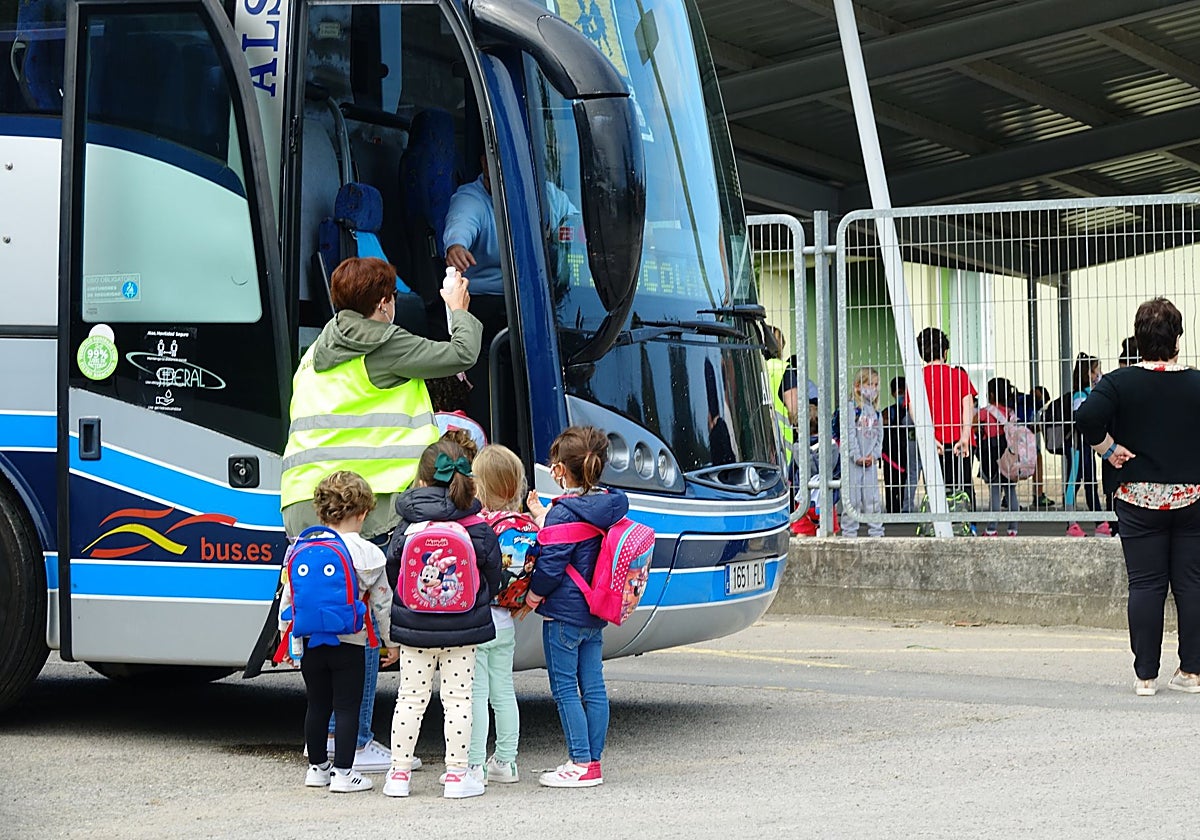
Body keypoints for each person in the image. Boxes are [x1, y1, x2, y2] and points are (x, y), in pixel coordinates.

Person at [281, 256, 480, 772]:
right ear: (383, 303)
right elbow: (463, 352)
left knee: (325, 624)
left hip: (304, 501)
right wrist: (456, 307)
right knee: (364, 624)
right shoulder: (384, 342)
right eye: (391, 297)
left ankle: (323, 738)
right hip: (361, 509)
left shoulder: (317, 351)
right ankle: (358, 737)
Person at [1075, 297, 1200, 696]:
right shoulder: (1196, 382)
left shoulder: (1118, 381)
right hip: (1191, 497)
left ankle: (1146, 676)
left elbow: (1086, 417)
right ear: (1177, 338)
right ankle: (1192, 672)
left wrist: (1109, 449)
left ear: (1138, 338)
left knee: (1145, 585)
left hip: (1137, 499)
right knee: (1191, 584)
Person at [382, 438, 502, 799]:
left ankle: (398, 777)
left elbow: (393, 570)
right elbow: (493, 574)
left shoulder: (408, 525)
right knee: (458, 700)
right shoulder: (476, 525)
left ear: (420, 481)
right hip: (463, 630)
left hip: (415, 629)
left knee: (410, 699)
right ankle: (456, 777)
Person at [282, 471, 399, 793]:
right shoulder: (369, 554)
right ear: (363, 513)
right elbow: (382, 605)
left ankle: (317, 769)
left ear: (320, 511)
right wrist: (392, 644)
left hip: (310, 641)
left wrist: (289, 641)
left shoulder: (300, 548)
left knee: (317, 705)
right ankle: (345, 774)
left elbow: (289, 599)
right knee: (347, 707)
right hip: (351, 642)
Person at [525, 426, 628, 788]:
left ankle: (579, 761)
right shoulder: (608, 505)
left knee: (566, 689)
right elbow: (575, 540)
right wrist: (543, 515)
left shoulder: (564, 512)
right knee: (594, 687)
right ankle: (593, 761)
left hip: (563, 615)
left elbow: (552, 564)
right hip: (594, 611)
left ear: (559, 470)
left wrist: (533, 596)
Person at [444, 156, 574, 434]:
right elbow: (460, 227)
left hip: (538, 298)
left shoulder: (550, 194)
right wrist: (456, 246)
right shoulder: (471, 199)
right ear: (484, 164)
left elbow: (574, 226)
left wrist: (570, 235)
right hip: (484, 301)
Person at [469, 444, 536, 785]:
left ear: (478, 487)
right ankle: (506, 763)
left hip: (479, 620)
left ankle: (474, 765)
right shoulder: (527, 524)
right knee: (504, 692)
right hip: (508, 619)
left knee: (475, 695)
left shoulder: (477, 526)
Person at [915, 327, 977, 509]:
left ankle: (940, 525)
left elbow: (915, 411)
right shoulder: (959, 376)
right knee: (964, 486)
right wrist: (965, 434)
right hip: (960, 441)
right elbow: (968, 406)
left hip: (933, 442)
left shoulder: (918, 378)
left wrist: (929, 436)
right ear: (945, 351)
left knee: (935, 489)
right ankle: (968, 525)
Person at [1064, 353, 1110, 538]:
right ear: (1088, 373)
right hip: (1077, 447)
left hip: (1088, 446)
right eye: (1096, 370)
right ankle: (1071, 523)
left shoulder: (1091, 392)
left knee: (1091, 483)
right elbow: (1082, 419)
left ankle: (1100, 522)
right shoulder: (1080, 395)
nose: (1099, 373)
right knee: (1072, 484)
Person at [841, 367, 884, 538]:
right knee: (853, 500)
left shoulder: (876, 413)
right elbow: (849, 434)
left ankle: (877, 533)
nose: (873, 388)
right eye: (869, 384)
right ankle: (849, 534)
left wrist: (874, 455)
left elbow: (880, 437)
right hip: (854, 464)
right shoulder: (852, 408)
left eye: (875, 385)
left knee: (872, 499)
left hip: (870, 463)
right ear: (858, 386)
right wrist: (857, 456)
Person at [978, 378, 1019, 537]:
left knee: (995, 491)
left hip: (992, 455)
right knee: (1011, 491)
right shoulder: (1011, 413)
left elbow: (975, 427)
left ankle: (992, 528)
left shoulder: (985, 412)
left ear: (992, 394)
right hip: (1009, 455)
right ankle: (1013, 529)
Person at [881, 376, 916, 514]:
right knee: (890, 483)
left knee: (904, 482)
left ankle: (902, 506)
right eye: (898, 392)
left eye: (903, 392)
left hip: (905, 452)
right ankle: (891, 509)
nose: (900, 395)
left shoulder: (910, 410)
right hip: (890, 454)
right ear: (893, 394)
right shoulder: (888, 411)